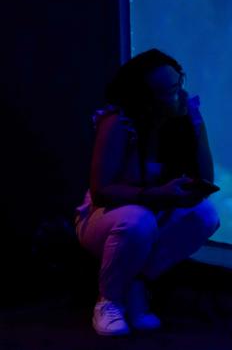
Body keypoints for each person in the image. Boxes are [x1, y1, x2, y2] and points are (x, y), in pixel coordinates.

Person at [74, 49, 220, 336]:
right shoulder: (118, 122)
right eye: (168, 92)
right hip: (104, 218)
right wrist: (158, 193)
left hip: (155, 211)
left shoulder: (183, 118)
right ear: (145, 98)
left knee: (205, 215)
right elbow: (102, 191)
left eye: (179, 84)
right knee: (137, 220)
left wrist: (197, 125)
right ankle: (109, 301)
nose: (179, 95)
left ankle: (137, 282)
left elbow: (206, 179)